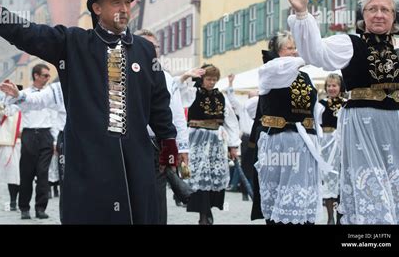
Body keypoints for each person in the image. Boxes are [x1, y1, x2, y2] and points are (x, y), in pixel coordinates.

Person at [0, 0, 177, 224]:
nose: (123, 8)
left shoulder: (144, 49)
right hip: (90, 159)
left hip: (137, 157)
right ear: (97, 8)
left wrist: (169, 142)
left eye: (127, 2)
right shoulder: (74, 43)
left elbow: (159, 101)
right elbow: (25, 33)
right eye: (116, 2)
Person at [286, 0, 399, 224]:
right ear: (362, 14)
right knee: (370, 188)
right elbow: (314, 53)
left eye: (385, 9)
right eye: (372, 9)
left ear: (395, 16)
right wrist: (302, 14)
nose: (378, 15)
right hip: (364, 127)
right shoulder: (349, 43)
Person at [250, 31, 331, 225]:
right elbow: (283, 67)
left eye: (296, 48)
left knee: (302, 191)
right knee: (280, 189)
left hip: (305, 141)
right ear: (277, 51)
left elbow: (312, 108)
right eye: (290, 48)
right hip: (280, 141)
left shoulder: (304, 75)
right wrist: (312, 53)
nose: (295, 52)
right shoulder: (271, 70)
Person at [136, 29, 189, 224]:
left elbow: (176, 113)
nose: (151, 51)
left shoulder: (165, 77)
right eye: (146, 46)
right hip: (128, 143)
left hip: (157, 143)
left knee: (158, 196)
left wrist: (182, 147)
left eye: (154, 47)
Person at [177, 64, 240, 225]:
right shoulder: (193, 93)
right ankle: (203, 214)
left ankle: (208, 210)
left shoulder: (221, 96)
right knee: (198, 177)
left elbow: (231, 122)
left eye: (214, 79)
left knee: (213, 178)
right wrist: (185, 76)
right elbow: (178, 91)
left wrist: (233, 146)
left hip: (216, 141)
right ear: (202, 79)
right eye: (208, 79)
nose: (212, 82)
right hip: (197, 139)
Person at [0, 80, 66, 220]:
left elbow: (54, 119)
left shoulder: (52, 95)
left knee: (43, 174)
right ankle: (24, 208)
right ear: (36, 76)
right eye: (44, 75)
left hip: (46, 135)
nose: (47, 78)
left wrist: (54, 140)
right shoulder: (25, 94)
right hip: (29, 134)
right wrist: (7, 97)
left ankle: (41, 208)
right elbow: (9, 110)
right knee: (27, 173)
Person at [316, 73, 346, 224]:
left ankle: (341, 214)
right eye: (329, 85)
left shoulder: (346, 103)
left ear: (340, 87)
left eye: (334, 85)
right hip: (326, 144)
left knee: (341, 178)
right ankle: (330, 217)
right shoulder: (321, 104)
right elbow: (316, 124)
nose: (331, 88)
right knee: (328, 178)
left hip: (341, 144)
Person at [0, 97, 22, 212]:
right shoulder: (7, 110)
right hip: (10, 145)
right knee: (12, 173)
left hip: (25, 144)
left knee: (23, 174)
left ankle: (22, 200)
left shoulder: (28, 107)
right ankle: (13, 200)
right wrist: (5, 101)